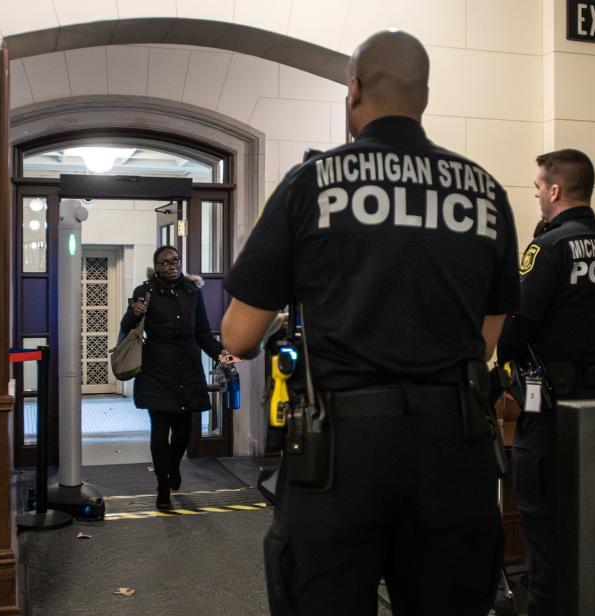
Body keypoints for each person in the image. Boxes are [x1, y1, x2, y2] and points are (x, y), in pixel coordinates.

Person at [220, 29, 520, 616]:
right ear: (425, 96)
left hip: (340, 454)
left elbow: (239, 335)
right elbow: (488, 335)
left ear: (354, 90)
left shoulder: (312, 182)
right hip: (454, 448)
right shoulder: (485, 192)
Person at [497, 149, 595, 615]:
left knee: (545, 530)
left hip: (551, 413)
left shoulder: (550, 247)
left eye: (539, 186)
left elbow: (515, 328)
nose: (537, 194)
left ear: (556, 190)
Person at [120, 245, 234, 510]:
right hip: (156, 370)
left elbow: (203, 333)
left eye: (176, 261)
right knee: (160, 436)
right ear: (156, 266)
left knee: (183, 434)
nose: (173, 265)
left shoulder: (192, 292)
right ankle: (162, 486)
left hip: (187, 369)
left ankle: (173, 467)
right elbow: (127, 329)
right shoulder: (144, 291)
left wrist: (226, 357)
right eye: (166, 262)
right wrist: (132, 313)